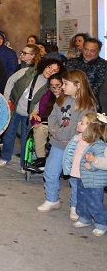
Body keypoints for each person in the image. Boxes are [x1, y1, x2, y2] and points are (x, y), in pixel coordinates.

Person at [38, 69, 97, 214]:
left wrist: (61, 134)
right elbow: (52, 117)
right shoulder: (61, 100)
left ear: (77, 85)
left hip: (77, 147)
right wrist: (54, 131)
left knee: (75, 178)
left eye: (65, 84)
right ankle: (52, 199)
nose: (62, 87)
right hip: (58, 144)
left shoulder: (88, 105)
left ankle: (75, 206)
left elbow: (79, 128)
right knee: (50, 172)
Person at [0, 55, 60, 168]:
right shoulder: (28, 71)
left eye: (55, 70)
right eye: (49, 67)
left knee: (25, 138)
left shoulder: (51, 85)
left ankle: (24, 164)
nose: (50, 71)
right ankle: (5, 157)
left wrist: (35, 112)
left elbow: (42, 101)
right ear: (44, 66)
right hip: (16, 107)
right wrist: (6, 98)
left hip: (29, 113)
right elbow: (11, 80)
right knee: (9, 134)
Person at [60, 113, 107, 236]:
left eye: (82, 122)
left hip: (93, 179)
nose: (78, 123)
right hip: (79, 175)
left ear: (91, 128)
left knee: (94, 201)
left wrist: (93, 163)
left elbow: (104, 163)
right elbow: (71, 154)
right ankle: (84, 217)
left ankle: (101, 223)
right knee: (81, 198)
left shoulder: (99, 145)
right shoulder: (78, 139)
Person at [29, 73, 64, 167]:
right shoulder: (47, 95)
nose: (54, 89)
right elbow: (36, 112)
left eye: (57, 86)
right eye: (52, 86)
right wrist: (35, 121)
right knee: (39, 129)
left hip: (62, 125)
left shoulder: (68, 97)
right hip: (46, 123)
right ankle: (41, 158)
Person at [68, 37, 107, 109]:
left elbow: (99, 86)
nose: (88, 53)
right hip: (70, 101)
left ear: (99, 51)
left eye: (92, 51)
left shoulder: (103, 65)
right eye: (86, 49)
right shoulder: (72, 63)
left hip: (92, 104)